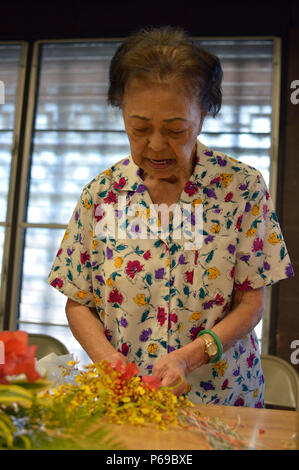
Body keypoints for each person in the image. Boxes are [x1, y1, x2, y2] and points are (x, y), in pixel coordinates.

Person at [47, 26, 294, 407]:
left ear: (203, 116)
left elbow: (251, 302)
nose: (156, 145)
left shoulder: (240, 188)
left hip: (221, 397)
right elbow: (78, 300)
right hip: (126, 398)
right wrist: (110, 363)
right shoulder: (101, 195)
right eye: (140, 128)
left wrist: (188, 357)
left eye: (176, 130)